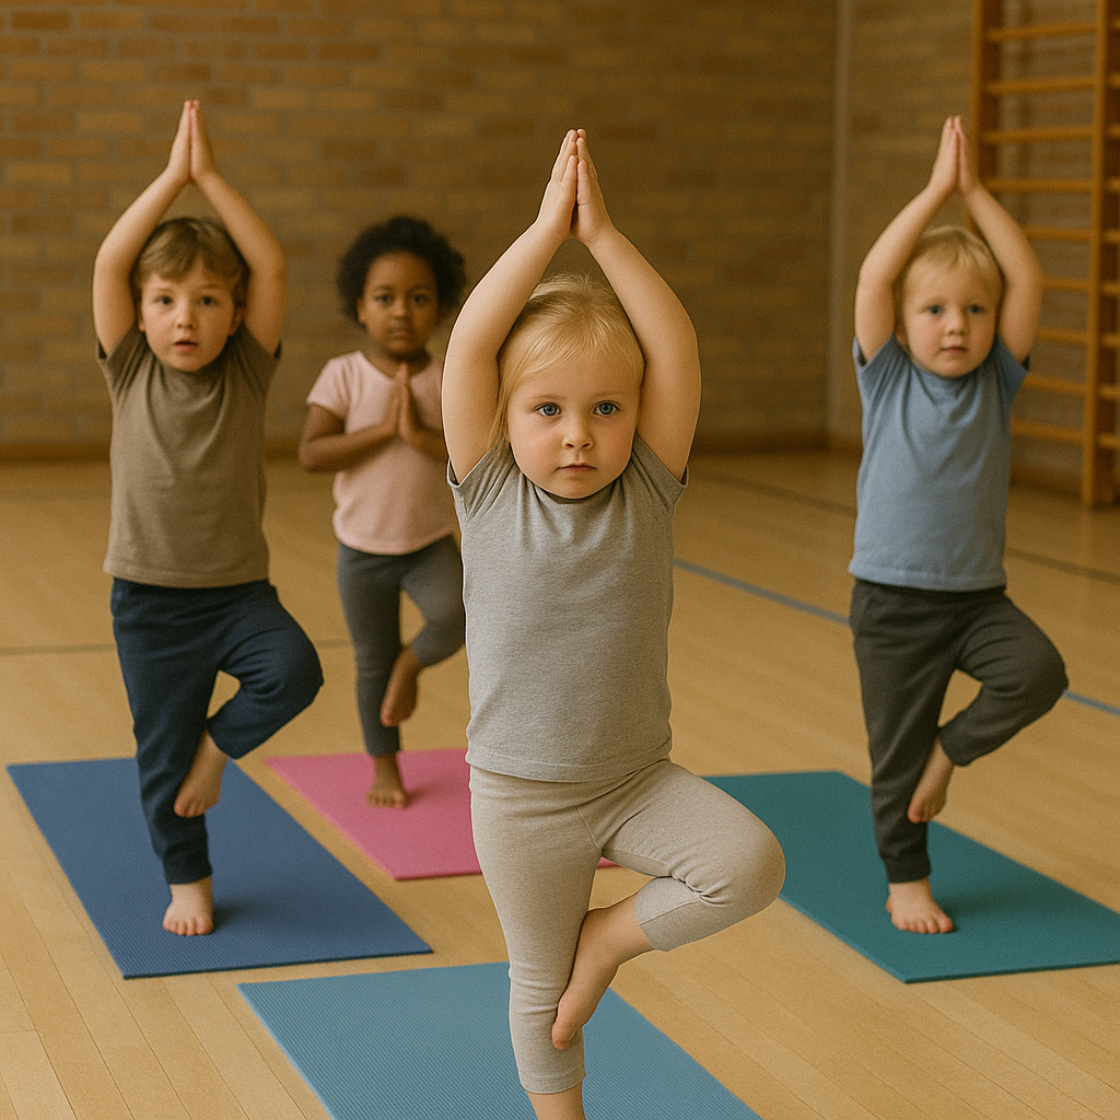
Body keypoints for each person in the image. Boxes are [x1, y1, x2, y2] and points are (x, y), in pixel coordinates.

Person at [441, 129, 786, 1120]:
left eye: (604, 407)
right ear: (505, 422)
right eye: (546, 408)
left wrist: (606, 239)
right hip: (521, 796)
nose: (578, 433)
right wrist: (548, 232)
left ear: (638, 417)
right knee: (539, 995)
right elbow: (471, 344)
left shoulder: (650, 489)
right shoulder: (488, 491)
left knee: (749, 863)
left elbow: (672, 345)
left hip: (636, 776)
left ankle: (606, 942)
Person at [92, 100, 323, 937]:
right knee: (160, 761)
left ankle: (216, 753)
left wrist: (212, 179)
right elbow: (112, 257)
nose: (186, 316)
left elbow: (273, 264)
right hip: (149, 604)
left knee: (295, 669)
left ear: (236, 313)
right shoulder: (128, 369)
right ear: (140, 311)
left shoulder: (247, 375)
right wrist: (170, 178)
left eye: (208, 300)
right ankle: (187, 876)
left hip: (236, 595)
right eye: (165, 300)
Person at [850, 115, 1067, 935]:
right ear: (904, 325)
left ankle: (951, 752)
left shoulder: (996, 384)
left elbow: (1027, 276)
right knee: (892, 758)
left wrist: (976, 193)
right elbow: (876, 276)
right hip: (892, 604)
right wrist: (935, 192)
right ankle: (906, 879)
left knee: (1039, 671)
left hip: (977, 600)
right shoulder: (887, 380)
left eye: (974, 311)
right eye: (935, 309)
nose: (956, 325)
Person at [298, 216, 467, 808]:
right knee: (370, 661)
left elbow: (476, 453)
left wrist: (418, 435)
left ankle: (410, 668)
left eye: (419, 299)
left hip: (428, 541)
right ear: (360, 307)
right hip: (361, 550)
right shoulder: (343, 375)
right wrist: (382, 431)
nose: (402, 311)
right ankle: (386, 767)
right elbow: (312, 453)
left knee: (456, 615)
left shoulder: (451, 377)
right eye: (385, 298)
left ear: (441, 308)